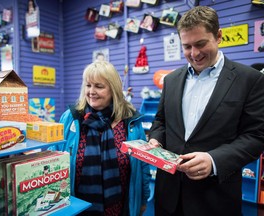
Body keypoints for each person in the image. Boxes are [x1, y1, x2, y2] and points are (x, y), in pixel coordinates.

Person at [149, 6, 264, 216]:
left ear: (218, 36)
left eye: (201, 44)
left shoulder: (250, 80)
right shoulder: (172, 80)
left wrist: (213, 161)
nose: (194, 54)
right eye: (187, 46)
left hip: (215, 198)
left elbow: (256, 136)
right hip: (168, 196)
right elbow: (161, 121)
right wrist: (156, 139)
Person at [58, 60, 151, 216]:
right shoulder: (71, 118)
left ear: (113, 90)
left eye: (99, 86)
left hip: (119, 208)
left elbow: (142, 167)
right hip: (77, 209)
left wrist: (142, 200)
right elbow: (55, 158)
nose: (91, 92)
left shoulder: (130, 122)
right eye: (88, 85)